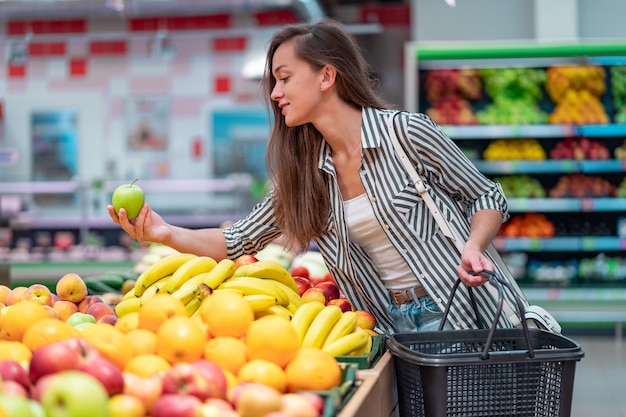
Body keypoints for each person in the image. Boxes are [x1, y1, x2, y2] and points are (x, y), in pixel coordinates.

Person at [109, 18, 518, 334]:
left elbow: (486, 196)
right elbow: (235, 241)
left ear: (326, 76)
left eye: (285, 78)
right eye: (274, 81)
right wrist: (163, 233)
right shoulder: (304, 174)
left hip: (458, 310)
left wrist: (474, 245)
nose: (275, 92)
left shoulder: (405, 133)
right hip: (387, 327)